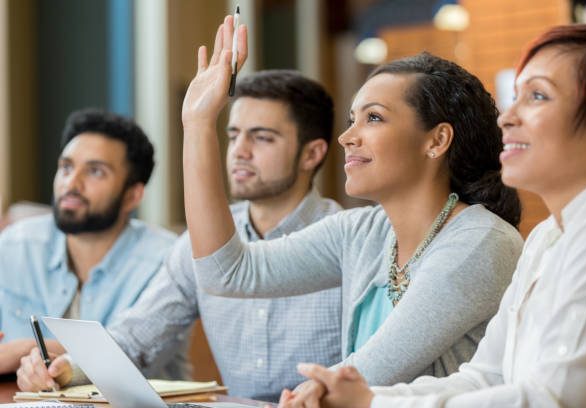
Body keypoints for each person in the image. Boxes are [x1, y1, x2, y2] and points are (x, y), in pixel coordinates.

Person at [183, 14, 523, 401]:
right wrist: (197, 122)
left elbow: (368, 375)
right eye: (351, 120)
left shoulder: (482, 241)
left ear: (437, 140)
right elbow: (225, 273)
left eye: (373, 118)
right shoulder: (361, 232)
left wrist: (315, 391)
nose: (346, 137)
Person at [280, 24, 586, 408]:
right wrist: (365, 397)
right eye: (515, 96)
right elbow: (484, 376)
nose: (508, 117)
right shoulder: (546, 237)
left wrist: (372, 403)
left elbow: (555, 400)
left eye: (538, 96)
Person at [16, 70, 343, 402]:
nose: (239, 151)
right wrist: (65, 368)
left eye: (262, 137)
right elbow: (133, 341)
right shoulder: (199, 243)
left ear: (312, 154)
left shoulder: (348, 242)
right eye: (232, 136)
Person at [0, 109, 179, 378]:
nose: (71, 183)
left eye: (95, 171)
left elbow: (129, 354)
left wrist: (24, 349)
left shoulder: (167, 259)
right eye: (66, 167)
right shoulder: (16, 245)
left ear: (132, 195)